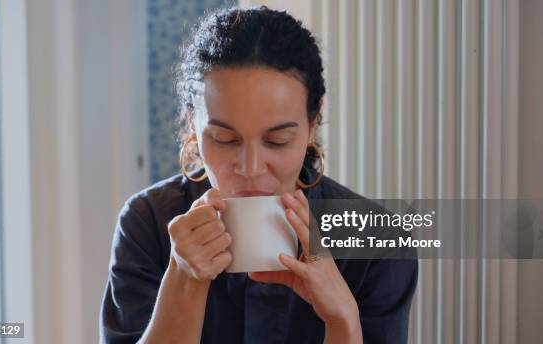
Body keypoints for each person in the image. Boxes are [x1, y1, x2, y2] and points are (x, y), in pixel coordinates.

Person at [100, 6, 418, 344]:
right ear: (193, 124)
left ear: (313, 123)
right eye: (225, 139)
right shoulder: (148, 222)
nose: (250, 168)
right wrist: (183, 278)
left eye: (277, 141)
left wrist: (341, 318)